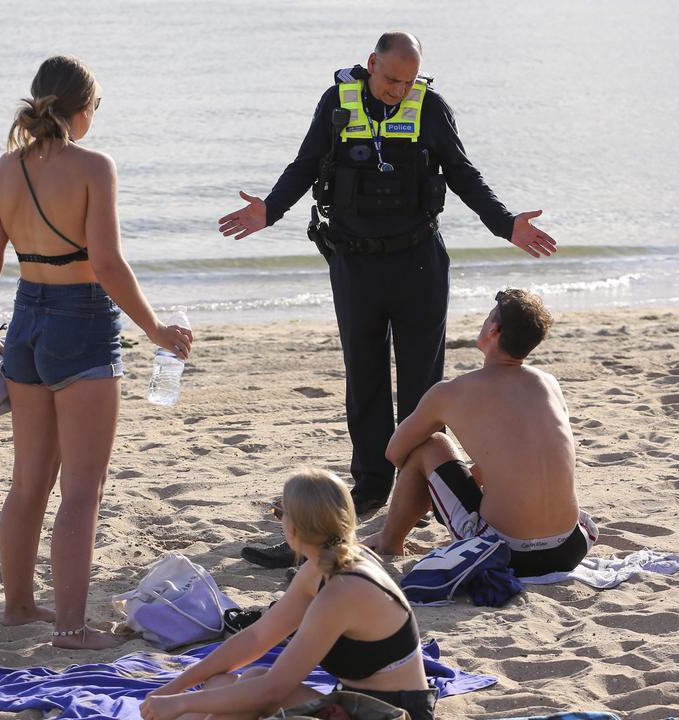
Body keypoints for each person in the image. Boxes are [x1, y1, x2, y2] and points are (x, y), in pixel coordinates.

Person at [224, 32, 558, 567]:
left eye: (407, 81)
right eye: (389, 79)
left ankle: (416, 482)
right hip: (354, 262)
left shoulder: (430, 107)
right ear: (371, 63)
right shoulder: (337, 102)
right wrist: (270, 209)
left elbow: (462, 173)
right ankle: (372, 483)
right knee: (366, 373)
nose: (398, 90)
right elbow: (306, 164)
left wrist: (504, 224)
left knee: (422, 382)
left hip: (418, 261)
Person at [0, 55, 193, 648]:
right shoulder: (95, 166)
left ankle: (19, 606)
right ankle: (70, 626)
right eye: (96, 105)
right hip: (82, 322)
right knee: (82, 487)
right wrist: (155, 331)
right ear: (82, 109)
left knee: (28, 482)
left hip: (25, 323)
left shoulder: (6, 169)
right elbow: (109, 263)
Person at [139, 469, 437, 720]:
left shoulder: (340, 592)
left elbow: (273, 691)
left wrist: (181, 702)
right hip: (360, 705)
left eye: (278, 511)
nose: (278, 519)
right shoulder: (328, 564)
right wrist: (171, 689)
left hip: (393, 714)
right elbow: (256, 638)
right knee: (240, 681)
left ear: (293, 528)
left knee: (231, 702)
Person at [363, 289, 595, 577]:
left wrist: (441, 485)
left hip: (508, 553)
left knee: (430, 444)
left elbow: (395, 452)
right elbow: (519, 455)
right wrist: (472, 477)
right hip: (570, 547)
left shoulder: (451, 393)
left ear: (494, 329)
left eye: (487, 317)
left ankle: (389, 541)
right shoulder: (548, 383)